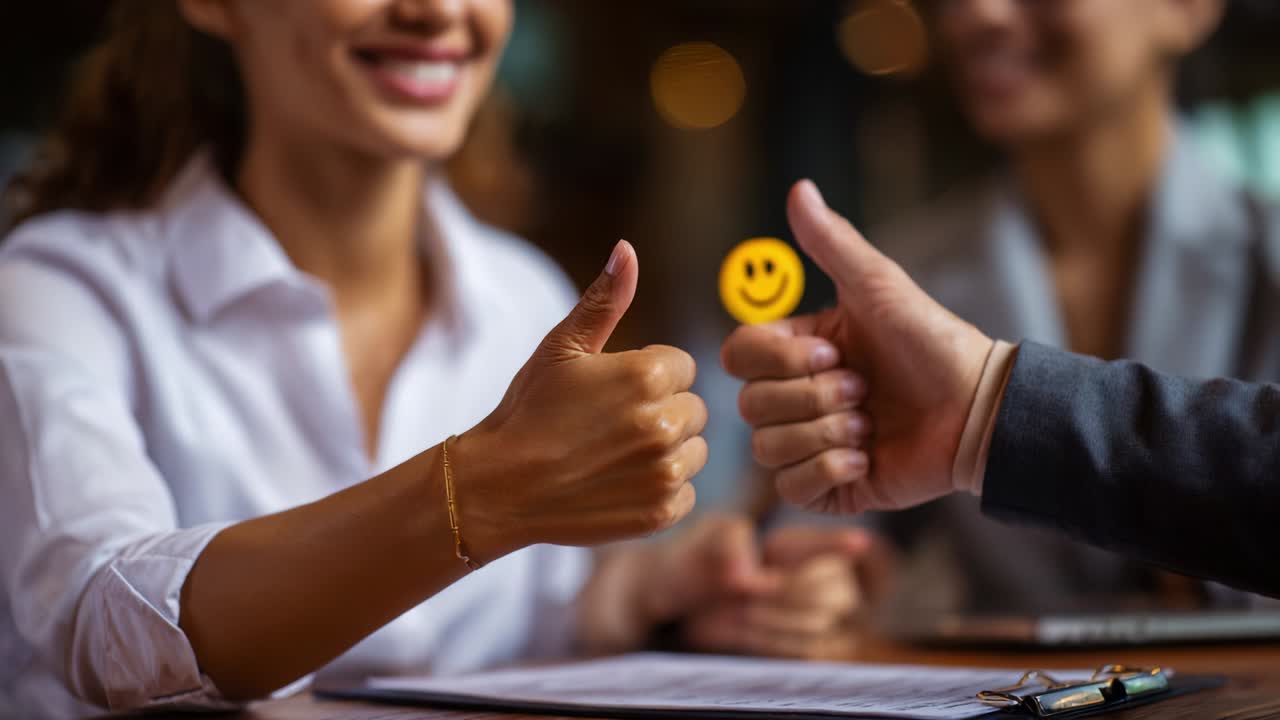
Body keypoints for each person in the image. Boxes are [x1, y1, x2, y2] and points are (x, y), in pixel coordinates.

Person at [0, 3, 872, 718]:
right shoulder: (61, 287)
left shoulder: (522, 296)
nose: (440, 12)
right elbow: (105, 623)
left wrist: (663, 597)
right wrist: (480, 491)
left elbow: (535, 615)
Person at [847, 0, 1279, 612]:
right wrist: (816, 576)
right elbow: (832, 529)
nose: (976, 13)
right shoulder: (900, 282)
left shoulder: (1271, 260)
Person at [722, 178, 1280, 600]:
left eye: (1036, 10)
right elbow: (842, 507)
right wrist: (821, 571)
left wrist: (989, 408)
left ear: (1189, 14)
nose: (980, 16)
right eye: (953, 11)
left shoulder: (1268, 245)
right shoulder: (908, 265)